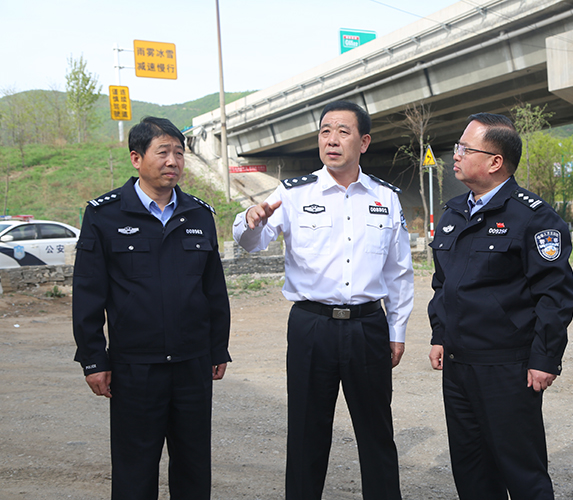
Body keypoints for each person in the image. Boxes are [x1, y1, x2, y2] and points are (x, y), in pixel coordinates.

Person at [233, 100, 413, 500]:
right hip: (311, 325)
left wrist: (396, 330)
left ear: (363, 142)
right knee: (306, 434)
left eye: (343, 131)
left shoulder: (385, 198)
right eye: (325, 131)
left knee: (377, 434)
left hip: (368, 326)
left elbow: (399, 272)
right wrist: (250, 222)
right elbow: (253, 242)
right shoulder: (294, 193)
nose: (331, 140)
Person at [72, 116, 231, 500]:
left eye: (179, 153)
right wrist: (95, 359)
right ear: (136, 158)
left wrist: (217, 347)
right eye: (163, 152)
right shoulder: (104, 215)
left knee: (194, 467)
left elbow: (214, 291)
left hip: (192, 365)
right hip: (135, 367)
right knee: (134, 470)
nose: (173, 160)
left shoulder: (198, 214)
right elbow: (88, 293)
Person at [427, 113, 573, 499]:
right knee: (472, 470)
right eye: (457, 147)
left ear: (495, 162)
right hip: (459, 366)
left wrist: (545, 357)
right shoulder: (455, 212)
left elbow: (555, 293)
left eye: (464, 148)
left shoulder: (533, 218)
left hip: (507, 368)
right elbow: (443, 283)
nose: (455, 155)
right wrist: (440, 334)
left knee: (522, 472)